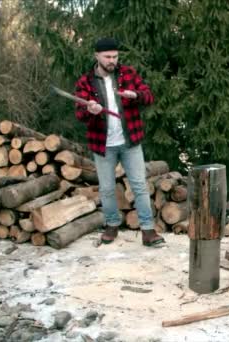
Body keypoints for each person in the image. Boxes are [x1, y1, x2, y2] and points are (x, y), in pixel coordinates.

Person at [74, 37, 165, 246]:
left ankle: (148, 230)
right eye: (107, 57)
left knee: (140, 186)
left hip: (130, 141)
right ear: (96, 56)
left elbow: (149, 97)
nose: (111, 60)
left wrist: (136, 95)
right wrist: (90, 110)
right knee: (106, 189)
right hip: (102, 144)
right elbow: (80, 115)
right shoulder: (85, 81)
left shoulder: (129, 74)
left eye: (115, 56)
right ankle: (112, 225)